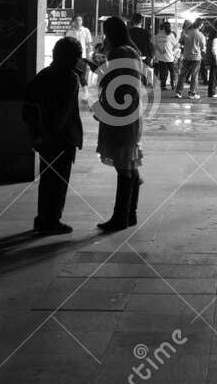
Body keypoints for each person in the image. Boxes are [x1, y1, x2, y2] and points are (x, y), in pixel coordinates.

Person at [23, 37, 84, 236]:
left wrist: (38, 134)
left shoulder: (44, 74)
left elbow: (28, 104)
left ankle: (42, 218)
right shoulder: (70, 78)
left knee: (47, 179)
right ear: (73, 58)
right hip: (61, 138)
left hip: (44, 139)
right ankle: (52, 221)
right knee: (58, 182)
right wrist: (57, 132)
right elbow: (65, 112)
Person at [95, 16, 144, 233]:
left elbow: (111, 82)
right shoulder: (131, 51)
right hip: (131, 113)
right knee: (128, 164)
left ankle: (120, 217)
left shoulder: (118, 53)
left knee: (123, 166)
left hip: (118, 114)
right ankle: (129, 214)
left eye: (106, 33)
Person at [177, 19, 205, 97]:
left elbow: (180, 42)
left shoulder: (186, 32)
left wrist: (187, 45)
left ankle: (178, 92)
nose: (202, 26)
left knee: (182, 74)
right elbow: (203, 47)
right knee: (194, 75)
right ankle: (192, 93)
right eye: (202, 25)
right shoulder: (200, 35)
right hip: (196, 58)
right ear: (199, 25)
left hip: (186, 56)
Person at [152, 20, 177, 94]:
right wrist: (172, 50)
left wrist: (160, 50)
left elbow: (154, 44)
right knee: (172, 71)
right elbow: (176, 45)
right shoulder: (170, 35)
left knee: (163, 71)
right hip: (169, 57)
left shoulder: (158, 35)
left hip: (161, 57)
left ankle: (163, 86)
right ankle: (173, 85)